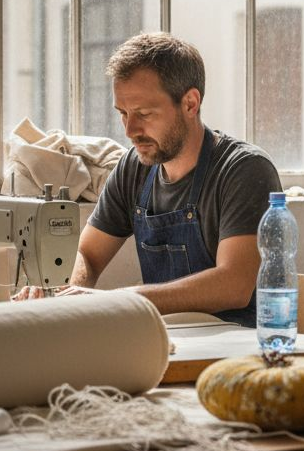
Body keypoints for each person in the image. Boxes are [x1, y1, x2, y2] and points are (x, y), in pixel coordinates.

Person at [14, 32, 281, 325]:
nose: (130, 130)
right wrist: (60, 288)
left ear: (190, 103)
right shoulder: (135, 168)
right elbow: (87, 254)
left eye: (144, 113)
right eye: (123, 113)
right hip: (172, 338)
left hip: (241, 348)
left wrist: (118, 301)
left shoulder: (244, 170)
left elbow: (233, 285)